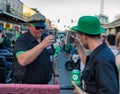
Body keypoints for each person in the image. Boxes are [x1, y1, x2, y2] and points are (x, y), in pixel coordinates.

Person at [71, 16, 119, 94]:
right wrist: (79, 46)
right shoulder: (99, 52)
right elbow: (89, 65)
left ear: (84, 36)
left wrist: (81, 93)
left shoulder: (103, 59)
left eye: (79, 35)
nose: (79, 38)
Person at [12, 13, 59, 84]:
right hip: (26, 86)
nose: (41, 30)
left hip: (44, 85)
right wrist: (42, 45)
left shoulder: (46, 37)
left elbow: (52, 57)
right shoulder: (22, 40)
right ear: (29, 26)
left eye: (43, 27)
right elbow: (22, 60)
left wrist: (56, 75)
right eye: (37, 27)